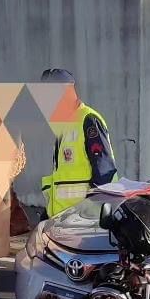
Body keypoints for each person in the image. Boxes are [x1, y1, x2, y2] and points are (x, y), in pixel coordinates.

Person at [39, 68, 117, 218]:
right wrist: (47, 215)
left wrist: (91, 210)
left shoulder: (88, 120)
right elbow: (61, 179)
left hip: (84, 220)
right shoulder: (63, 126)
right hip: (63, 219)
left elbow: (104, 171)